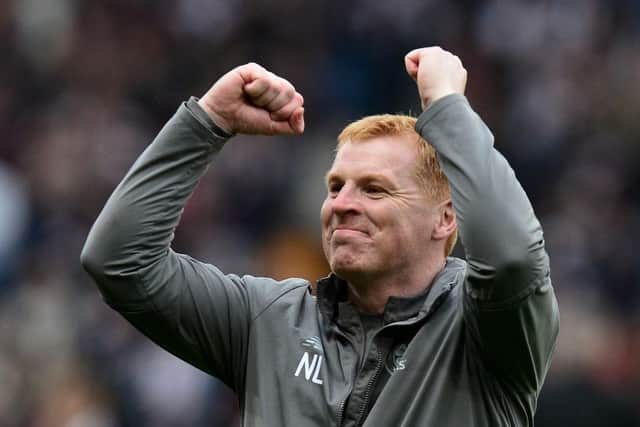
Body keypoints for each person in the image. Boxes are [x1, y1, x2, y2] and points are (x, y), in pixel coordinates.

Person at [81, 47, 559, 426]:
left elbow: (514, 257)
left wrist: (449, 108)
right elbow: (120, 261)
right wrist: (207, 121)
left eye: (374, 189)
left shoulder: (487, 328)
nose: (341, 203)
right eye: (336, 186)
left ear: (445, 219)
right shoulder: (267, 321)